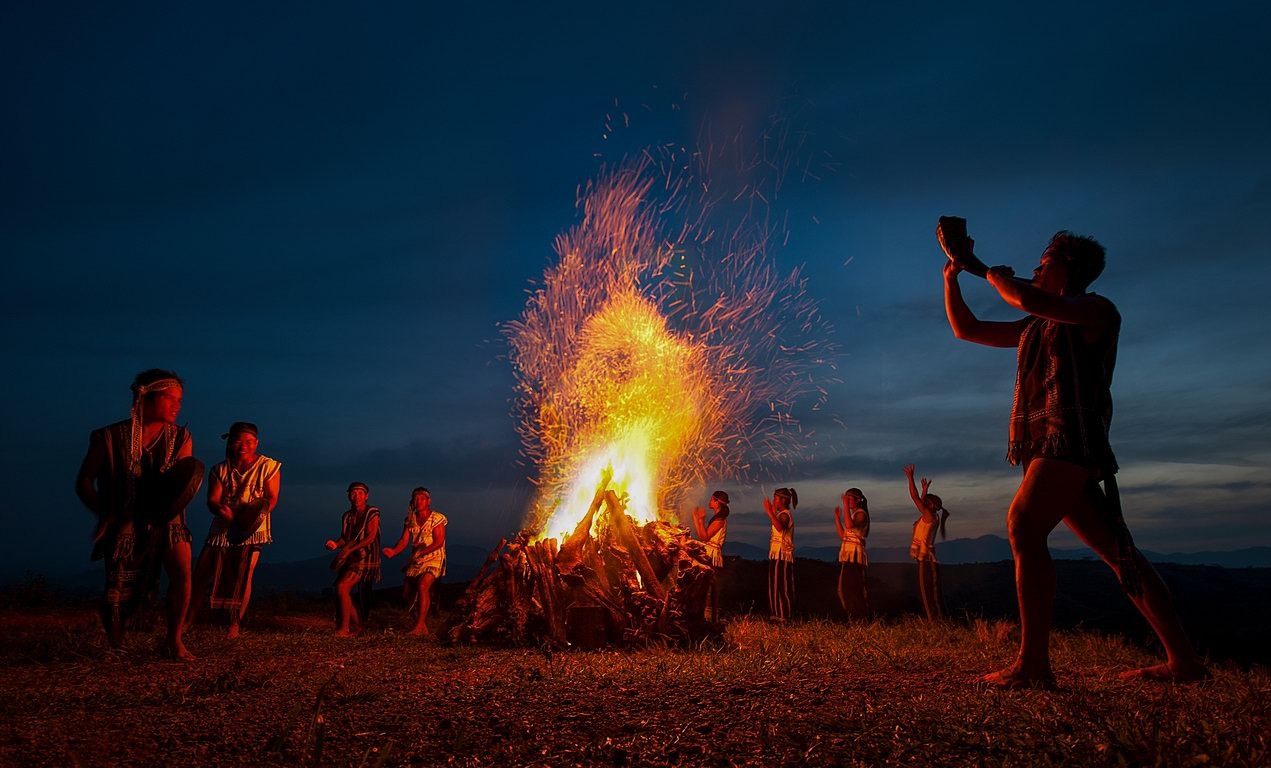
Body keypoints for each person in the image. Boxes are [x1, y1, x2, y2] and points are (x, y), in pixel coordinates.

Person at [941, 225, 1207, 686]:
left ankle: (1033, 665)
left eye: (1046, 260)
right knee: (1120, 554)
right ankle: (1184, 663)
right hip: (1047, 445)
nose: (1037, 266)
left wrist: (983, 270)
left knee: (1023, 525)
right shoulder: (1037, 327)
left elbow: (1030, 299)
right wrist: (952, 278)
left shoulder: (1095, 310)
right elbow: (968, 330)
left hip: (1069, 441)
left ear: (1069, 269)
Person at [75, 369, 203, 660]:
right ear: (147, 398)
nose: (177, 406)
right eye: (171, 399)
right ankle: (117, 644)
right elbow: (84, 482)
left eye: (180, 400)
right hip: (124, 520)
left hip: (168, 519)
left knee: (183, 573)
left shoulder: (181, 437)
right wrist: (104, 513)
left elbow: (180, 482)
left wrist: (162, 509)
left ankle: (174, 640)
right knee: (118, 586)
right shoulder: (107, 437)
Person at [186, 422, 281, 638]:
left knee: (244, 574)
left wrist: (252, 516)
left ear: (256, 443)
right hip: (222, 527)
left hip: (252, 527)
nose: (243, 446)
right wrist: (221, 509)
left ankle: (234, 623)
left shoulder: (269, 466)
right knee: (201, 572)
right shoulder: (220, 470)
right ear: (230, 443)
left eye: (249, 442)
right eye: (239, 441)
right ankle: (188, 618)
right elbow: (212, 500)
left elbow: (271, 499)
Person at [382, 487, 447, 636]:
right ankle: (421, 625)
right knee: (406, 593)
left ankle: (418, 627)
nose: (418, 501)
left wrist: (423, 549)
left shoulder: (437, 518)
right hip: (416, 559)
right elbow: (404, 540)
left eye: (422, 498)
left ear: (428, 501)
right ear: (412, 501)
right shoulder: (410, 520)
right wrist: (393, 551)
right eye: (416, 499)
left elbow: (439, 541)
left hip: (434, 557)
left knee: (423, 586)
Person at [326, 482, 382, 637]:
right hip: (352, 558)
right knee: (340, 587)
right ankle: (358, 626)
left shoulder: (372, 512)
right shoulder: (347, 516)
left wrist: (349, 549)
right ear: (348, 496)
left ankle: (344, 628)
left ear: (366, 496)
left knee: (342, 587)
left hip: (367, 557)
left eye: (359, 493)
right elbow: (345, 538)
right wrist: (335, 544)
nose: (356, 496)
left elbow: (370, 537)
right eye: (353, 493)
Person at [904, 465, 948, 620]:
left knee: (927, 592)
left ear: (930, 506)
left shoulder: (929, 516)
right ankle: (936, 620)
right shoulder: (931, 516)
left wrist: (910, 478)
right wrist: (924, 490)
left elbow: (915, 499)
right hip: (926, 558)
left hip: (926, 558)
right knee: (929, 591)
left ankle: (935, 621)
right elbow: (920, 501)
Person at [690, 490, 730, 622]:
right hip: (708, 553)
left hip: (712, 556)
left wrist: (701, 519)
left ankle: (709, 619)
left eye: (712, 499)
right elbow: (703, 536)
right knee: (704, 587)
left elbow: (705, 537)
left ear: (716, 502)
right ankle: (705, 617)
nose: (709, 501)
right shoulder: (717, 517)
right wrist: (696, 519)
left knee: (708, 588)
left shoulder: (720, 520)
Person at [834, 488, 870, 621]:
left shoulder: (861, 514)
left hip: (855, 556)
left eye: (850, 499)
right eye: (846, 498)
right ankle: (854, 617)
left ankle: (858, 618)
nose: (847, 501)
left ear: (858, 500)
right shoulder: (854, 514)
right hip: (848, 555)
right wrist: (837, 519)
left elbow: (849, 525)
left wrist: (845, 507)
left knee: (853, 589)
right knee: (844, 589)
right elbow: (844, 535)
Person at [763, 487, 797, 621]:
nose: (773, 501)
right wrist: (771, 511)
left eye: (775, 498)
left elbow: (780, 527)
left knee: (782, 586)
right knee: (774, 585)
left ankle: (784, 616)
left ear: (782, 500)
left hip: (783, 555)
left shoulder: (785, 514)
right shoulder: (780, 514)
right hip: (777, 555)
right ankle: (776, 615)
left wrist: (769, 512)